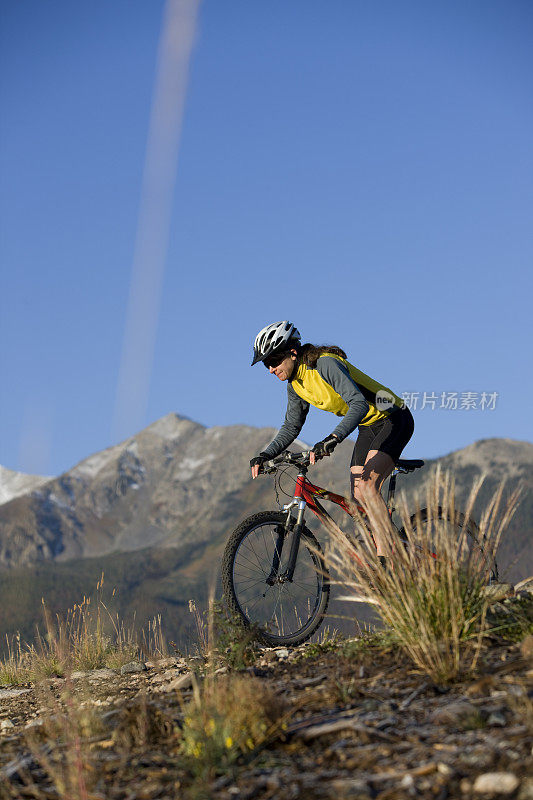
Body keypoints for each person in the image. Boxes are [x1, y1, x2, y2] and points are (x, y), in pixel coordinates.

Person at [249, 320, 414, 564]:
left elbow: (358, 403)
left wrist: (333, 439)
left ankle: (388, 563)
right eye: (266, 364)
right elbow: (292, 426)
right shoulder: (295, 384)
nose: (271, 369)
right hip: (369, 426)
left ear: (292, 352)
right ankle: (385, 551)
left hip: (393, 416)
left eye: (273, 361)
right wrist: (265, 454)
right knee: (358, 500)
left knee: (368, 488)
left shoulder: (324, 363)